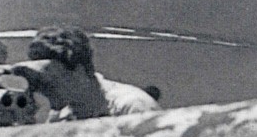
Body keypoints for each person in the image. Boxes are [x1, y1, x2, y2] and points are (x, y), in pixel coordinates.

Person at [12, 26, 159, 122]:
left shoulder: (132, 107)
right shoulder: (60, 117)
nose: (45, 88)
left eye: (52, 77)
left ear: (78, 70)